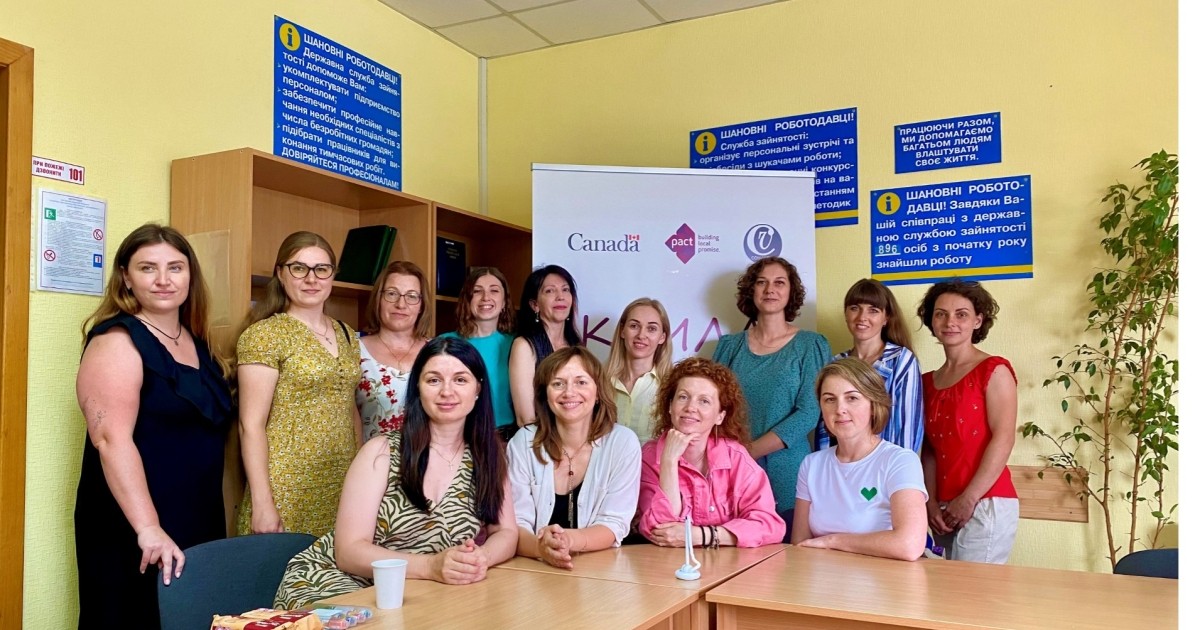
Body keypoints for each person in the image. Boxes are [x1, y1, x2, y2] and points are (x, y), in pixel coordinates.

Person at [274, 337, 518, 608]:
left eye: (460, 380)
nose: (447, 391)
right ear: (418, 388)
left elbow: (506, 532)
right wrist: (431, 567)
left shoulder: (489, 456)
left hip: (413, 589)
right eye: (434, 380)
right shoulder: (381, 451)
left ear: (478, 389)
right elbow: (348, 552)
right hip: (335, 581)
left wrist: (480, 559)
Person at [74, 223, 233, 628]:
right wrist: (148, 528)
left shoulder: (197, 341)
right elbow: (110, 440)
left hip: (196, 516)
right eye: (148, 268)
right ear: (126, 277)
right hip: (134, 523)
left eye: (175, 268)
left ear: (190, 276)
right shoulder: (116, 340)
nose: (163, 279)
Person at [236, 231, 362, 537]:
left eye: (322, 269)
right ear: (280, 273)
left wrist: (361, 475)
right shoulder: (265, 335)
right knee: (284, 566)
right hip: (286, 484)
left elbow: (350, 408)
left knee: (339, 565)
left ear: (332, 275)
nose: (311, 279)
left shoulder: (347, 334)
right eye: (299, 268)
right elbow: (250, 425)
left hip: (341, 480)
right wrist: (263, 502)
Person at [713, 256, 830, 524]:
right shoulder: (729, 347)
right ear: (751, 290)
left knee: (789, 546)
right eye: (761, 282)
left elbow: (809, 412)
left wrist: (750, 451)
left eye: (779, 283)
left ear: (791, 292)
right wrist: (735, 456)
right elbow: (713, 406)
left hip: (787, 470)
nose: (770, 290)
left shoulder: (810, 345)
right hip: (731, 471)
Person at [508, 347, 641, 568]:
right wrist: (542, 548)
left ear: (598, 392)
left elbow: (614, 524)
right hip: (533, 568)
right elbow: (514, 524)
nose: (569, 392)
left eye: (581, 382)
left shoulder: (623, 443)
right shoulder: (523, 442)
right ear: (545, 395)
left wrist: (568, 540)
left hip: (599, 570)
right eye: (558, 384)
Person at [917, 279, 1019, 564]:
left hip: (985, 501)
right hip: (943, 509)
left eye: (961, 314)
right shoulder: (926, 382)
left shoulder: (994, 370)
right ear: (932, 320)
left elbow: (1004, 438)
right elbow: (929, 450)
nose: (950, 322)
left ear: (978, 320)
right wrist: (930, 503)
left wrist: (969, 498)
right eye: (941, 314)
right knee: (946, 590)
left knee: (974, 590)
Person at [639, 357, 785, 548]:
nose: (691, 407)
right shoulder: (649, 457)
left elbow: (770, 525)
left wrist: (704, 535)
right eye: (683, 397)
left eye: (704, 401)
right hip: (669, 563)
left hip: (732, 563)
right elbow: (660, 530)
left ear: (720, 416)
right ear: (670, 406)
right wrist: (669, 461)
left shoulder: (736, 457)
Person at [792, 358, 927, 561]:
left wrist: (833, 541)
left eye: (852, 398)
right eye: (829, 399)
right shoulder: (811, 464)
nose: (840, 409)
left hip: (885, 578)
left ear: (873, 405)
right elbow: (800, 544)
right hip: (822, 577)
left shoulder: (900, 461)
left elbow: (910, 545)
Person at [815, 279, 924, 453]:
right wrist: (825, 461)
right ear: (846, 314)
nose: (862, 317)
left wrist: (897, 466)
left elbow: (907, 427)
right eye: (854, 308)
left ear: (886, 318)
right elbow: (825, 425)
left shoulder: (901, 360)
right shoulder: (836, 362)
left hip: (886, 464)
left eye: (873, 310)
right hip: (841, 463)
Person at [357, 260, 431, 440]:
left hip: (428, 456)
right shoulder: (353, 350)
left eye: (412, 296)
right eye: (392, 294)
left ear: (421, 305)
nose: (401, 304)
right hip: (370, 455)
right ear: (378, 300)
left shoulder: (438, 352)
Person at [441, 267, 518, 439]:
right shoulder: (445, 343)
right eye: (477, 291)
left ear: (505, 302)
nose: (486, 297)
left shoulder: (518, 344)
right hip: (459, 438)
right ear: (467, 300)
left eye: (494, 291)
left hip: (505, 439)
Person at [510, 264, 582, 426]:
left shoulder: (576, 345)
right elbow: (525, 419)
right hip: (539, 436)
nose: (560, 296)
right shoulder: (524, 346)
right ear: (534, 304)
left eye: (565, 290)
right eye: (550, 291)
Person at [603, 298, 672, 444]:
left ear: (662, 337)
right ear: (622, 331)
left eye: (651, 329)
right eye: (634, 326)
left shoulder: (672, 386)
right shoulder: (598, 381)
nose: (641, 335)